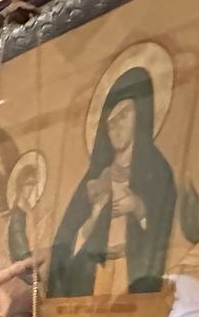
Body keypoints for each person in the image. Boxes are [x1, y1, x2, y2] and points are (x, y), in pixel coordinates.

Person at [48, 69, 177, 297]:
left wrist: (138, 207)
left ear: (140, 114)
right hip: (96, 272)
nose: (116, 127)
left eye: (124, 115)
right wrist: (94, 216)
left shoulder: (157, 171)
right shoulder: (96, 177)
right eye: (111, 122)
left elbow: (161, 228)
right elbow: (68, 239)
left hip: (131, 272)